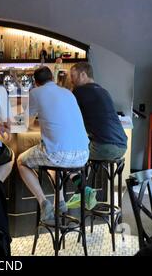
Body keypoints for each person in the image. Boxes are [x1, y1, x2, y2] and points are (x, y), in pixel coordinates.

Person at [17, 66, 96, 224]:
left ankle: (43, 202)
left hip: (59, 154)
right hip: (83, 154)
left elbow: (24, 123)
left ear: (35, 82)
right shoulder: (68, 92)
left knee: (21, 161)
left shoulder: (35, 93)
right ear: (52, 78)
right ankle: (62, 200)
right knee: (55, 163)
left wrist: (7, 122)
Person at [70, 62, 128, 160]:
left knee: (70, 155)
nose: (71, 80)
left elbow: (69, 116)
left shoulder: (80, 91)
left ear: (83, 75)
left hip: (104, 147)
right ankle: (92, 175)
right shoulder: (103, 91)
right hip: (122, 145)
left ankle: (77, 176)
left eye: (73, 76)